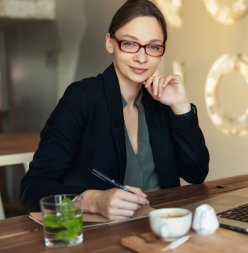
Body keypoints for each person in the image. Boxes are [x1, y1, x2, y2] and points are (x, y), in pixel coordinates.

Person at [20, 0, 209, 220]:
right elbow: (31, 189)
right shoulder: (82, 98)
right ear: (110, 43)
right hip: (103, 237)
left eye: (153, 46)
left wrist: (181, 106)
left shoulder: (161, 100)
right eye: (130, 43)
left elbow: (197, 174)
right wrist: (92, 200)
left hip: (164, 228)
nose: (142, 57)